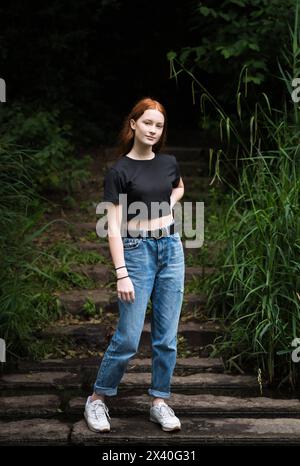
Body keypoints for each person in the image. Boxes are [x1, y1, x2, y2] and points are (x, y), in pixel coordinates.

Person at [84, 96, 185, 433]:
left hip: (171, 249)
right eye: (147, 123)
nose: (153, 129)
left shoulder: (169, 162)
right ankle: (98, 399)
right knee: (128, 337)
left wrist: (167, 204)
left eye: (159, 125)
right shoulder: (119, 171)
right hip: (136, 252)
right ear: (133, 124)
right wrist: (121, 273)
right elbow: (112, 227)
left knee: (166, 338)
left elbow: (179, 187)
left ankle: (160, 401)